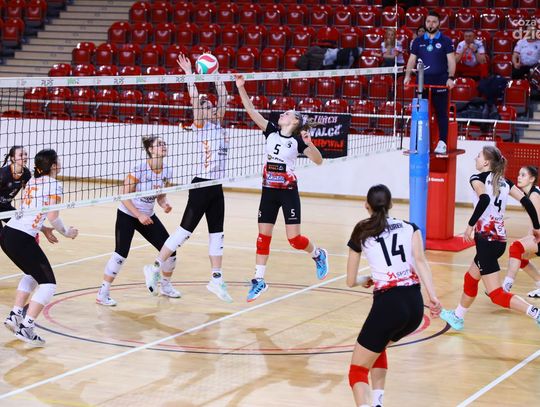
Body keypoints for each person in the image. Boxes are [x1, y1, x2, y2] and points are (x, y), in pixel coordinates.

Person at [143, 54, 233, 303]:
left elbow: (224, 96)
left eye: (211, 105)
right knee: (184, 231)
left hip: (216, 186)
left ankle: (216, 279)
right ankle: (154, 266)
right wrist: (190, 75)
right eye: (206, 106)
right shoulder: (201, 126)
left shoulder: (219, 124)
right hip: (201, 184)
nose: (211, 107)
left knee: (218, 234)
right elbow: (195, 100)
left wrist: (216, 73)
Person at [234, 74, 329, 302]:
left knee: (294, 240)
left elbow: (318, 161)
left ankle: (318, 254)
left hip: (288, 192)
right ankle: (259, 279)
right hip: (268, 190)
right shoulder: (270, 131)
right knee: (262, 236)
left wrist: (310, 143)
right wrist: (241, 87)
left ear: (295, 122)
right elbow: (250, 110)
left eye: (288, 113)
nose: (283, 114)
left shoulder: (297, 141)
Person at [346, 184, 441, 407]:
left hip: (389, 305)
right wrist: (433, 297)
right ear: (391, 204)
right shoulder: (410, 227)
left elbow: (350, 281)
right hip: (414, 306)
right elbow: (421, 262)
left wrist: (364, 279)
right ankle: (377, 402)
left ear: (366, 206)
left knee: (357, 371)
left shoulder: (361, 230)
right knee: (377, 347)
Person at [440, 147, 540, 331]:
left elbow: (485, 199)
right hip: (499, 241)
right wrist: (537, 227)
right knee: (470, 278)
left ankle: (535, 312)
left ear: (486, 162)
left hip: (487, 242)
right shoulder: (505, 182)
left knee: (496, 294)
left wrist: (470, 225)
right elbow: (526, 202)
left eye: (478, 156)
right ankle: (458, 316)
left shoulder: (477, 178)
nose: (475, 158)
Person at [1, 149, 78, 346]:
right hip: (22, 238)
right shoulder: (54, 184)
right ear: (53, 166)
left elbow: (31, 213)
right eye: (58, 160)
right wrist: (66, 232)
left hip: (8, 234)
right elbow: (53, 216)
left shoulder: (33, 181)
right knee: (49, 284)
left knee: (32, 274)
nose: (60, 163)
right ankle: (26, 327)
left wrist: (42, 230)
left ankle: (15, 315)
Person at [96, 136, 177, 306]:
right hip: (128, 214)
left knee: (170, 250)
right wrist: (138, 215)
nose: (163, 146)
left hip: (148, 216)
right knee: (121, 254)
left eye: (164, 144)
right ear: (150, 150)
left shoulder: (167, 171)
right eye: (159, 144)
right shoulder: (139, 169)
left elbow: (160, 196)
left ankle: (165, 286)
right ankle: (102, 293)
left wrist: (165, 204)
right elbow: (123, 196)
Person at [404, 11, 456, 155]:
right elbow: (411, 60)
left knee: (441, 114)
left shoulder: (446, 41)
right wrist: (407, 76)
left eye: (434, 22)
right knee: (420, 113)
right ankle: (418, 142)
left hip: (440, 83)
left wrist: (451, 77)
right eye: (428, 22)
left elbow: (451, 60)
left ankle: (442, 143)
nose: (430, 24)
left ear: (439, 23)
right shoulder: (418, 41)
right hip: (422, 83)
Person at [0, 146, 56, 243]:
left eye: (26, 154)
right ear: (13, 158)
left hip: (5, 207)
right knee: (2, 237)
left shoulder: (26, 174)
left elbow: (30, 194)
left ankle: (42, 232)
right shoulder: (3, 174)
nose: (25, 157)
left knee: (22, 223)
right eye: (21, 155)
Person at [502, 165, 540, 298]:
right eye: (519, 174)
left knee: (516, 248)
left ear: (532, 179)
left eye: (523, 175)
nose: (519, 177)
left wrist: (531, 237)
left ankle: (505, 287)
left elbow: (537, 221)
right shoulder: (529, 194)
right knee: (521, 257)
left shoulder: (534, 195)